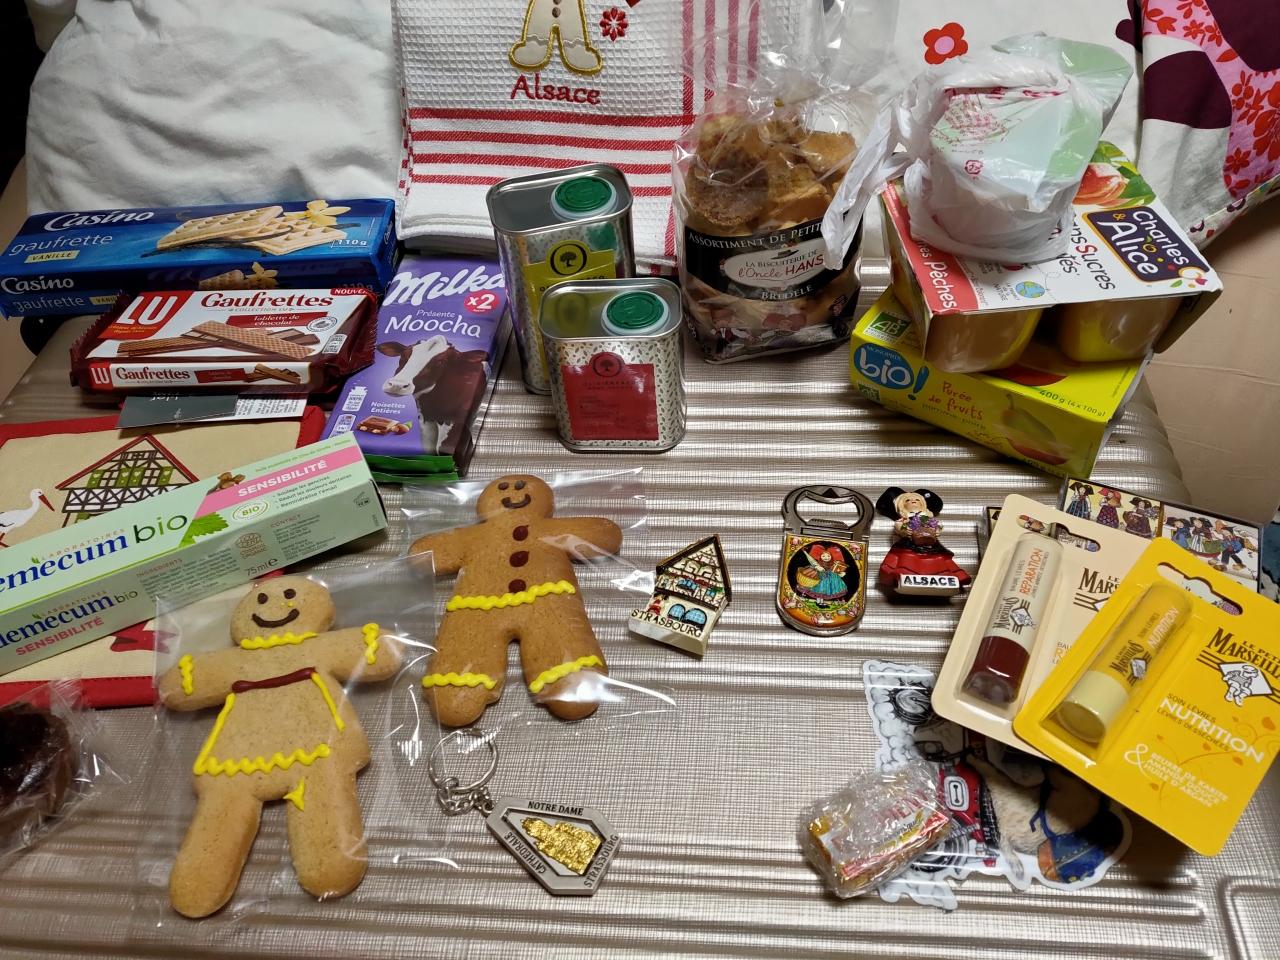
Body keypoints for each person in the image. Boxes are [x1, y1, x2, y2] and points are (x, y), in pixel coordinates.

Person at [875, 487, 971, 595]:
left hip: (930, 543)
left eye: (917, 500)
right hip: (909, 543)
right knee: (907, 557)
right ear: (901, 505)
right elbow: (899, 526)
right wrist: (905, 530)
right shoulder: (905, 519)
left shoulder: (926, 518)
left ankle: (943, 575)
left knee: (938, 558)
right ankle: (907, 573)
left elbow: (937, 525)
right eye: (908, 500)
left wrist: (936, 530)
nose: (913, 501)